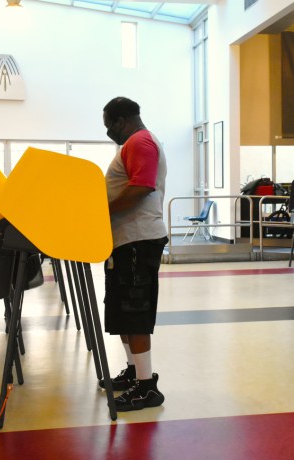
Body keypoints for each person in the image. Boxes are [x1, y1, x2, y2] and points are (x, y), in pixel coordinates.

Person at [99, 97, 168, 411]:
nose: (108, 134)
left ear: (120, 120)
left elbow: (141, 187)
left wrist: (101, 212)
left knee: (135, 313)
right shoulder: (133, 143)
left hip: (138, 240)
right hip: (125, 241)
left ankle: (146, 387)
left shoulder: (140, 142)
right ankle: (133, 371)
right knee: (123, 312)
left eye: (108, 127)